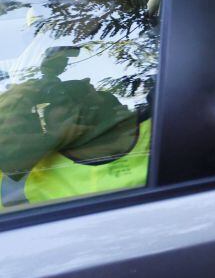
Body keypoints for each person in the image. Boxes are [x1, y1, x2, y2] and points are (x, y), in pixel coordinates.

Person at [0, 47, 150, 209]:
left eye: (76, 97)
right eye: (54, 104)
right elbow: (7, 147)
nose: (69, 106)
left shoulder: (159, 130)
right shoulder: (22, 167)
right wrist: (21, 94)